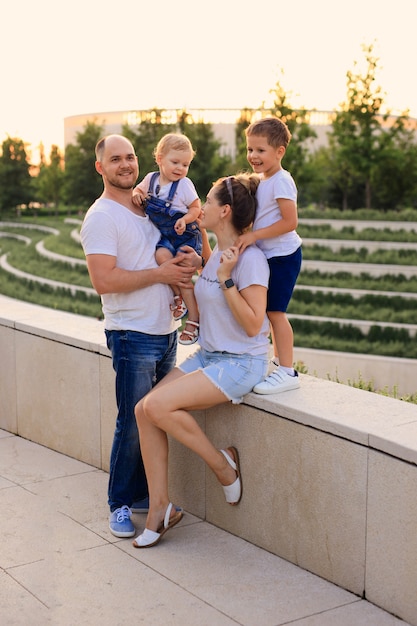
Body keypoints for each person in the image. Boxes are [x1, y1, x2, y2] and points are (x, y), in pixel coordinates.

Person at [132, 173, 271, 549]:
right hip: (210, 355)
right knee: (143, 410)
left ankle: (224, 466)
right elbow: (210, 299)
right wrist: (202, 267)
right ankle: (161, 506)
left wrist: (226, 279)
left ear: (224, 211)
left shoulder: (251, 262)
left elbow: (254, 324)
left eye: (207, 202)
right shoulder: (213, 255)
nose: (201, 208)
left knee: (157, 405)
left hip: (242, 362)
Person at [80, 134, 198, 538]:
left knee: (151, 423)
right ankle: (119, 504)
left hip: (163, 332)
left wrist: (172, 294)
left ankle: (150, 499)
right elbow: (104, 280)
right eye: (116, 159)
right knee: (130, 424)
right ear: (101, 167)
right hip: (132, 336)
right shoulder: (101, 217)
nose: (126, 164)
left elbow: (156, 257)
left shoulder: (143, 207)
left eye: (130, 157)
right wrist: (163, 276)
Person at [236, 117, 302, 394]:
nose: (253, 156)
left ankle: (287, 371)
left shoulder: (281, 181)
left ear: (279, 152)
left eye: (260, 150)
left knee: (276, 312)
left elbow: (290, 222)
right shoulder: (264, 179)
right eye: (250, 149)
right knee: (263, 311)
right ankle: (274, 361)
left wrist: (253, 236)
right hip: (268, 255)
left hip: (283, 256)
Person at [133, 133, 202, 346]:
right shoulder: (150, 179)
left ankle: (193, 320)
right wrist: (136, 193)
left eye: (186, 164)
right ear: (160, 158)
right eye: (175, 162)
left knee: (183, 276)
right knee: (161, 256)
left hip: (185, 236)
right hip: (165, 236)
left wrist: (185, 219)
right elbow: (138, 190)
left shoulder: (184, 184)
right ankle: (177, 296)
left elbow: (196, 208)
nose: (180, 168)